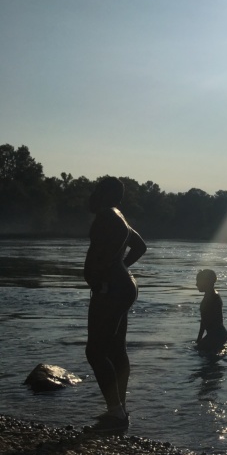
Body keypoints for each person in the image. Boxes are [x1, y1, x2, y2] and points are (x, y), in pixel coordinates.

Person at [83, 176, 146, 431]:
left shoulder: (107, 215)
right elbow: (140, 247)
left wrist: (106, 274)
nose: (94, 194)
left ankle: (116, 413)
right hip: (121, 286)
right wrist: (120, 268)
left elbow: (106, 253)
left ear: (107, 194)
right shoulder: (119, 216)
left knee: (95, 351)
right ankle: (119, 410)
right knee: (116, 349)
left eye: (99, 189)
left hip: (111, 289)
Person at [195, 269, 227, 353]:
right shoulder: (210, 296)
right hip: (218, 334)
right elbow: (204, 320)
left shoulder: (213, 298)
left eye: (198, 281)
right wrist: (199, 339)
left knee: (204, 354)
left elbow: (211, 320)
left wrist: (200, 340)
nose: (196, 284)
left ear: (207, 282)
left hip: (216, 334)